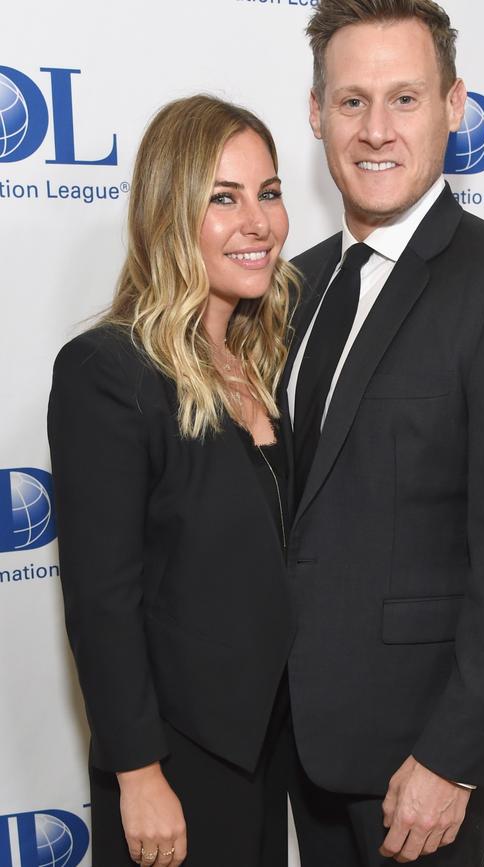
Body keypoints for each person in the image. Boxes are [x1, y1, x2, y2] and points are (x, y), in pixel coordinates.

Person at [281, 2, 484, 865]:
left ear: (455, 105)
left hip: (418, 769)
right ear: (315, 113)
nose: (375, 130)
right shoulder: (292, 289)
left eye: (405, 99)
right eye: (351, 102)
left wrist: (455, 759)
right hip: (293, 750)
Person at [48, 95, 299, 867]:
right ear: (169, 211)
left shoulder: (261, 366)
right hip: (174, 763)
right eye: (222, 197)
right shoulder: (109, 370)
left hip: (265, 752)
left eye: (269, 191)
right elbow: (103, 596)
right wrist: (139, 771)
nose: (257, 221)